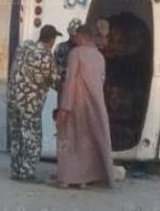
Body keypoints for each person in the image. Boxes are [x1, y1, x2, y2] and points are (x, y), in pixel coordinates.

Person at [55, 25, 114, 189]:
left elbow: (70, 82)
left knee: (68, 140)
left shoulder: (76, 54)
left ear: (81, 37)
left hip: (76, 104)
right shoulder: (99, 57)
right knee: (86, 142)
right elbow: (101, 82)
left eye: (76, 37)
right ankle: (84, 179)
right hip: (96, 105)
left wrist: (64, 108)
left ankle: (66, 178)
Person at [7, 24, 61, 182]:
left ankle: (16, 170)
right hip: (30, 105)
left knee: (17, 136)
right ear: (51, 40)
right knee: (32, 138)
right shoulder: (46, 56)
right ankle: (27, 172)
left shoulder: (24, 47)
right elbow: (55, 82)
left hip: (13, 100)